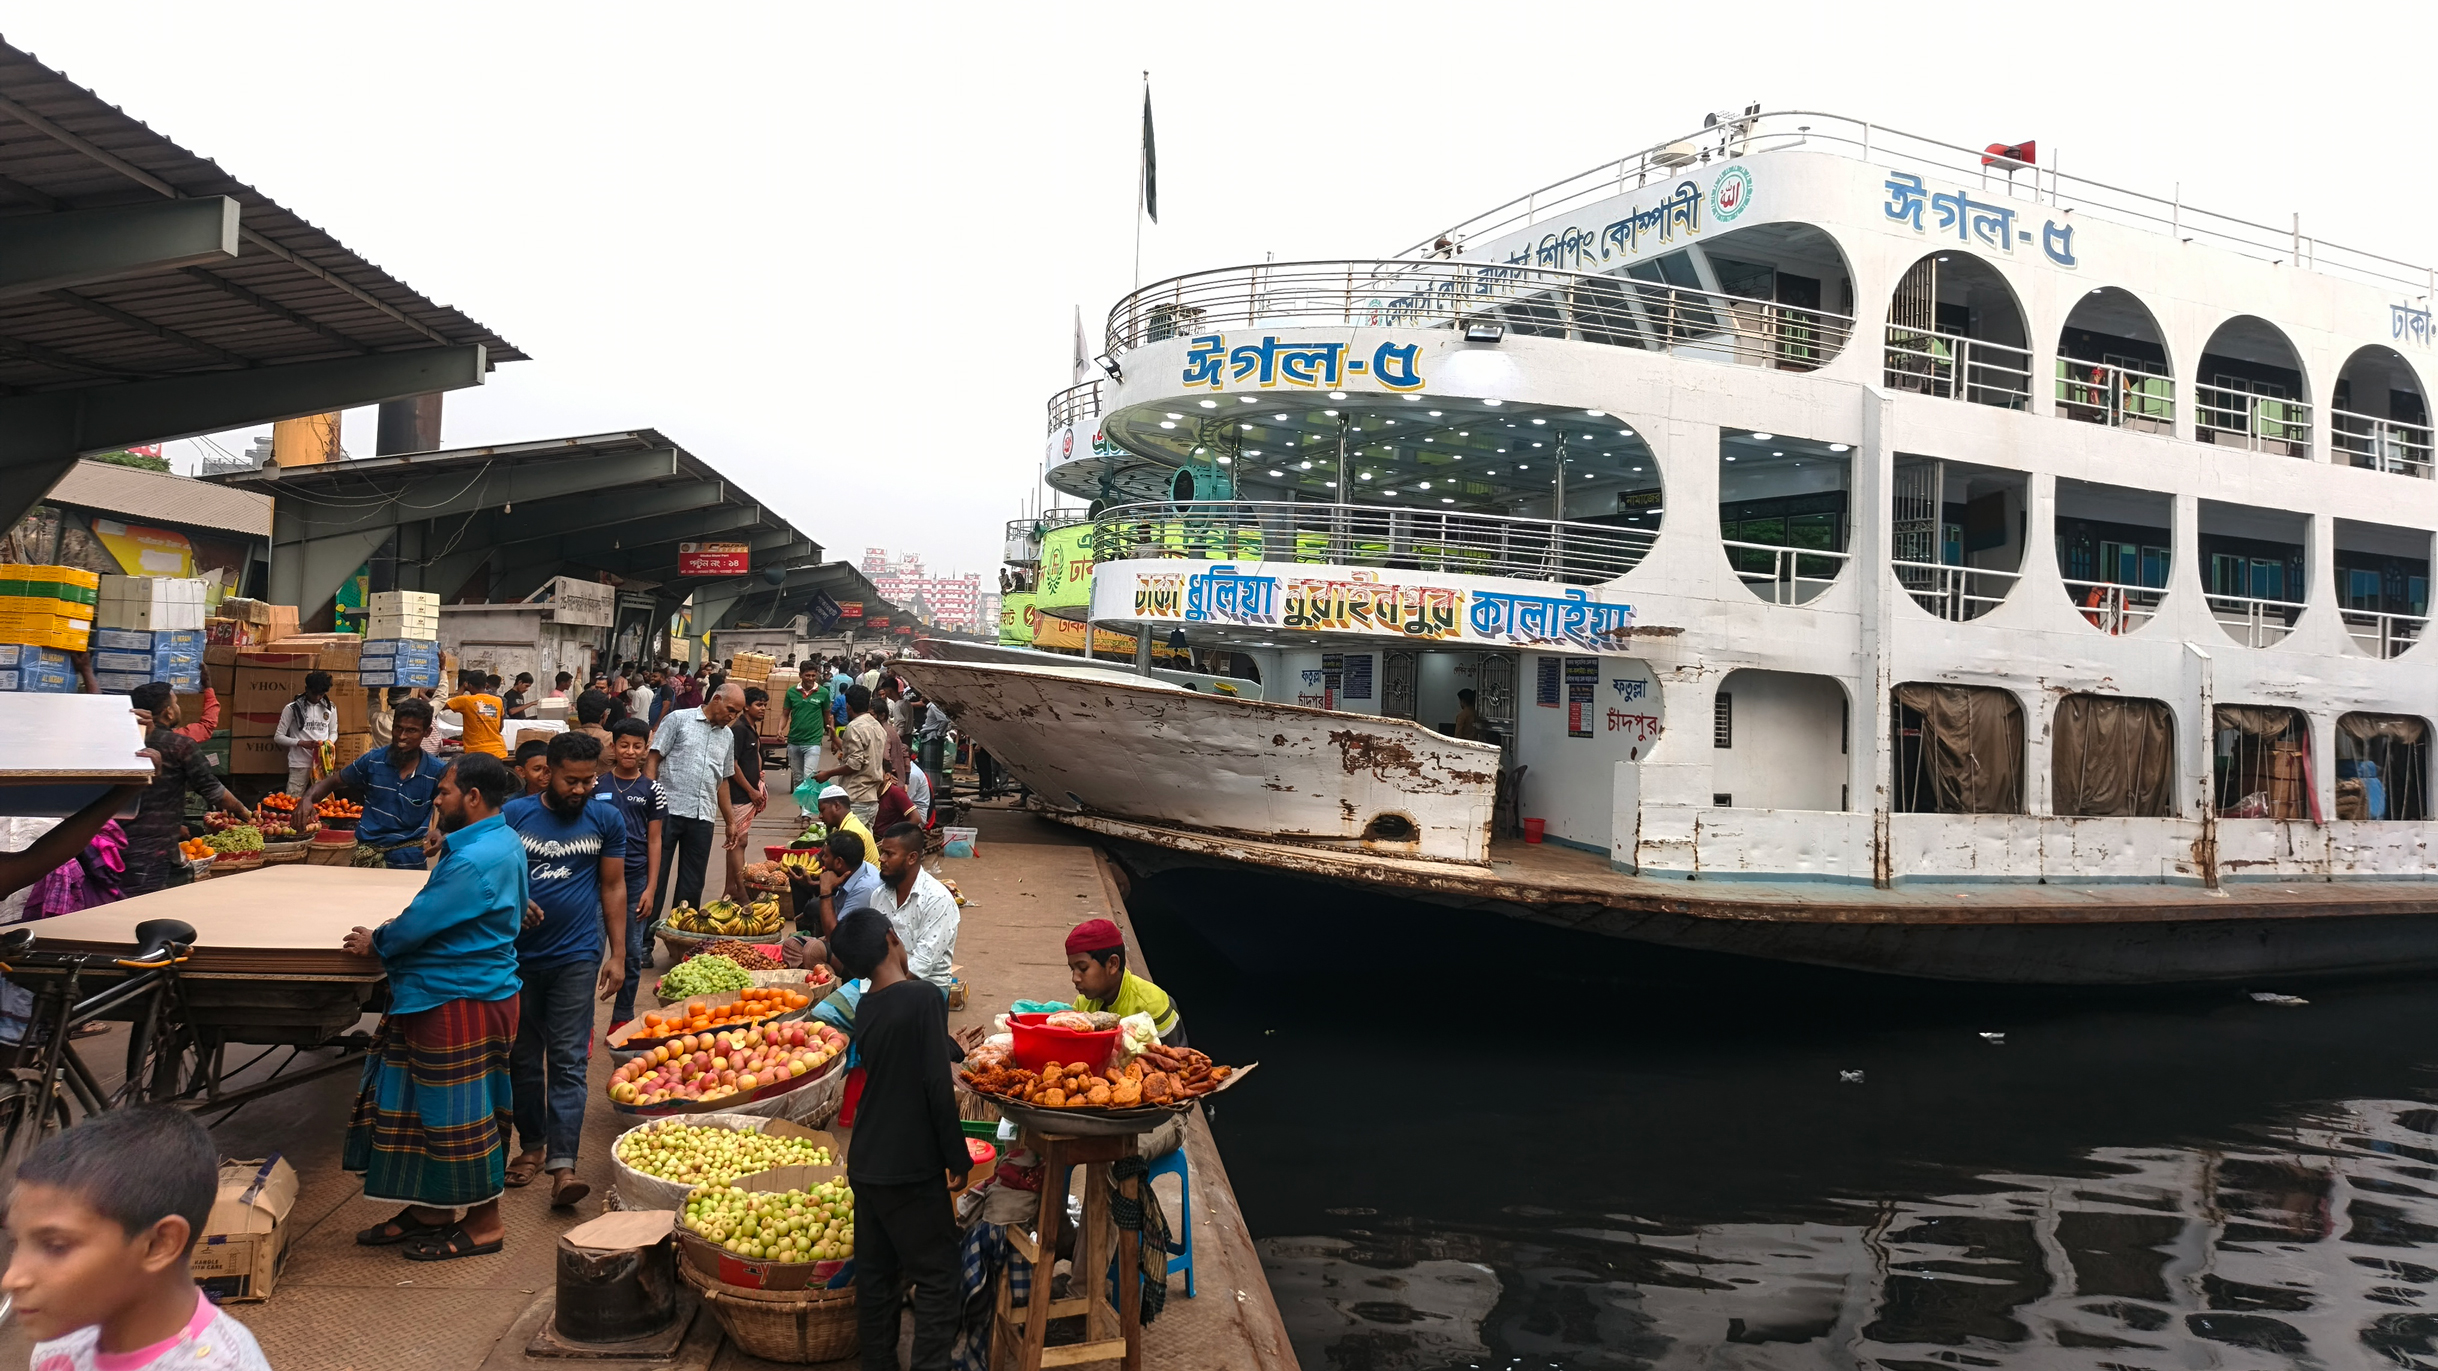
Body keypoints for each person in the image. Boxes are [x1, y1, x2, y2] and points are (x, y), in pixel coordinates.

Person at [340, 752, 525, 1261]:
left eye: (444, 792)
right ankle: (432, 1210)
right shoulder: (498, 839)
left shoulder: (470, 860)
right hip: (460, 993)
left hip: (458, 997)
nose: (436, 800)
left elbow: (417, 924)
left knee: (460, 1117)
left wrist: (377, 940)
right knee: (430, 1111)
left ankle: (484, 1223)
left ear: (473, 797)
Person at [2, 1105, 274, 1370]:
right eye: (16, 1244)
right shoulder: (61, 1344)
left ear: (159, 1244)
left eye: (56, 1247)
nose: (10, 1279)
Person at [830, 909, 968, 1371]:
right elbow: (936, 1084)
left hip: (867, 1160)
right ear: (893, 937)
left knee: (876, 1279)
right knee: (938, 1275)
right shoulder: (924, 996)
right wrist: (956, 1155)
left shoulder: (867, 1005)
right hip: (909, 1164)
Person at [502, 732, 626, 1208]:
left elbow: (613, 887)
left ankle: (563, 1166)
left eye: (588, 781)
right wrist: (516, 902)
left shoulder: (605, 819)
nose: (580, 790)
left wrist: (618, 954)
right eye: (570, 780)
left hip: (576, 957)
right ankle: (532, 1146)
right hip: (516, 959)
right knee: (523, 1059)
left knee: (570, 1062)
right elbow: (490, 876)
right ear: (547, 772)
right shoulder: (514, 816)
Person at [121, 683, 250, 895]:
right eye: (176, 702)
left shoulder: (123, 742)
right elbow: (215, 792)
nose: (178, 707)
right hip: (153, 849)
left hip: (115, 843)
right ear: (169, 712)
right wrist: (245, 813)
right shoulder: (180, 746)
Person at [304, 697, 440, 869]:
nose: (402, 737)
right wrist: (307, 799)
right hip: (367, 857)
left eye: (412, 731)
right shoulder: (372, 760)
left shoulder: (436, 771)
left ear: (427, 732)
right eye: (398, 728)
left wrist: (440, 831)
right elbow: (333, 782)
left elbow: (453, 809)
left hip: (409, 860)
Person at [645, 682, 745, 912]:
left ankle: (682, 928)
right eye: (730, 710)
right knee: (656, 875)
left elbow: (723, 779)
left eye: (737, 713)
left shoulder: (727, 736)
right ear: (716, 700)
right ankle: (646, 933)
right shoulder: (678, 720)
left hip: (703, 817)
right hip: (668, 811)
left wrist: (730, 821)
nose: (732, 717)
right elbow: (653, 760)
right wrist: (649, 803)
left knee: (692, 883)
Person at [601, 717, 667, 1032]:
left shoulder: (653, 790)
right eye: (624, 745)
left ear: (645, 749)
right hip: (597, 880)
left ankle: (622, 1017)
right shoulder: (596, 785)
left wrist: (651, 888)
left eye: (637, 746)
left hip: (635, 880)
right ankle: (583, 1024)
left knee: (630, 951)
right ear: (613, 746)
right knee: (590, 951)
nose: (630, 751)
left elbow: (655, 841)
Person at [869, 822, 958, 995]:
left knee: (872, 1009)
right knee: (825, 1008)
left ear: (911, 858)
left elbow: (922, 963)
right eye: (882, 852)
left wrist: (881, 993)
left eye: (889, 854)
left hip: (926, 987)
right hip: (880, 981)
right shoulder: (878, 895)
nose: (881, 859)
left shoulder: (938, 899)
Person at [1063, 917, 1184, 1044]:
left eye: (1083, 968)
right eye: (1072, 969)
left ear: (1113, 964)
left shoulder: (1153, 1005)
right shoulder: (1083, 1005)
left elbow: (1174, 1055)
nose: (1075, 978)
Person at [780, 828, 880, 968]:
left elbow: (835, 938)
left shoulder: (865, 889)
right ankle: (817, 971)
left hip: (858, 952)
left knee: (812, 950)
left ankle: (826, 977)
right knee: (791, 944)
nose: (823, 860)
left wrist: (825, 891)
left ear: (839, 862)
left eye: (826, 856)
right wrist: (812, 884)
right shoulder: (857, 868)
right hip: (843, 937)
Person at [814, 685, 888, 827]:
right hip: (871, 797)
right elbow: (860, 752)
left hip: (856, 796)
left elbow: (854, 763)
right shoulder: (877, 726)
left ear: (848, 706)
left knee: (850, 839)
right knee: (865, 839)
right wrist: (834, 738)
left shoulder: (854, 727)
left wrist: (828, 774)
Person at [724, 686, 771, 898]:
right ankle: (742, 892)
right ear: (746, 706)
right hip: (739, 795)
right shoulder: (739, 729)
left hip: (748, 794)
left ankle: (730, 889)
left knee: (737, 842)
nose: (762, 709)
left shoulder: (751, 728)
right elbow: (732, 764)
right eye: (758, 705)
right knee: (739, 842)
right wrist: (751, 791)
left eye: (765, 705)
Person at [271, 668, 339, 796]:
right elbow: (278, 737)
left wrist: (327, 743)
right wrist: (301, 743)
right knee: (293, 800)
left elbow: (334, 732)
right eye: (314, 693)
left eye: (321, 694)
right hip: (299, 764)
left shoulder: (331, 708)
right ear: (306, 689)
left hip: (322, 764)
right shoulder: (292, 708)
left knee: (322, 802)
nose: (317, 697)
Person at [782, 670, 833, 792]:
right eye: (807, 675)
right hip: (794, 741)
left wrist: (832, 734)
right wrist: (780, 729)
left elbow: (827, 716)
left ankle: (807, 805)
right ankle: (801, 803)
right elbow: (785, 714)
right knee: (798, 779)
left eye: (813, 675)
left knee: (808, 777)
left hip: (813, 741)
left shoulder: (823, 693)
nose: (810, 678)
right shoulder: (791, 692)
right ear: (801, 675)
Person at [446, 672, 509, 759]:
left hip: (476, 753)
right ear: (486, 685)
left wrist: (462, 688)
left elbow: (440, 705)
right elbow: (500, 728)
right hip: (499, 751)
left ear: (469, 686)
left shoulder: (465, 700)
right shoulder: (498, 700)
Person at [811, 785, 875, 866]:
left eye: (822, 810)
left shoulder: (851, 833)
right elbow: (821, 855)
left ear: (836, 806)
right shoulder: (841, 826)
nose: (820, 816)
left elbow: (846, 870)